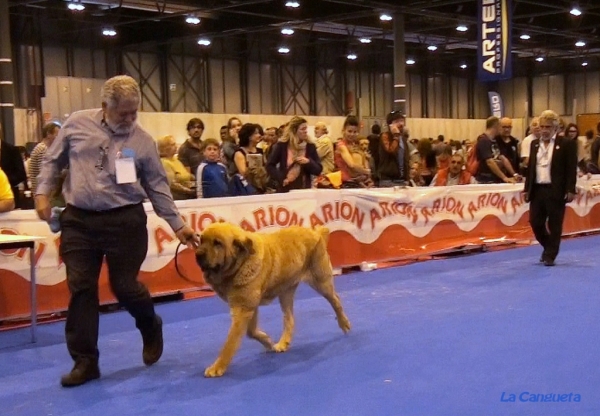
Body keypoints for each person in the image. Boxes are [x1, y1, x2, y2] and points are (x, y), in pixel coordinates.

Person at [34, 75, 198, 387]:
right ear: (104, 106)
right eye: (123, 112)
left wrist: (178, 225)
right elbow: (52, 162)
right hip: (79, 220)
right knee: (81, 287)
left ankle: (150, 326)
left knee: (124, 287)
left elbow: (158, 187)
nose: (130, 118)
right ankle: (85, 362)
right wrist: (41, 194)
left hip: (125, 221)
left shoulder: (143, 142)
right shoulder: (77, 124)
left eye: (134, 111)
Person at [523, 110, 577, 267]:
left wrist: (570, 189)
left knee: (555, 224)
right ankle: (549, 247)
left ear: (555, 128)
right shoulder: (534, 144)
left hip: (556, 190)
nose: (544, 130)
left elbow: (571, 168)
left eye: (548, 127)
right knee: (535, 222)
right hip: (538, 189)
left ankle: (550, 255)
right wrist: (527, 188)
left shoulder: (566, 144)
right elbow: (531, 168)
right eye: (542, 126)